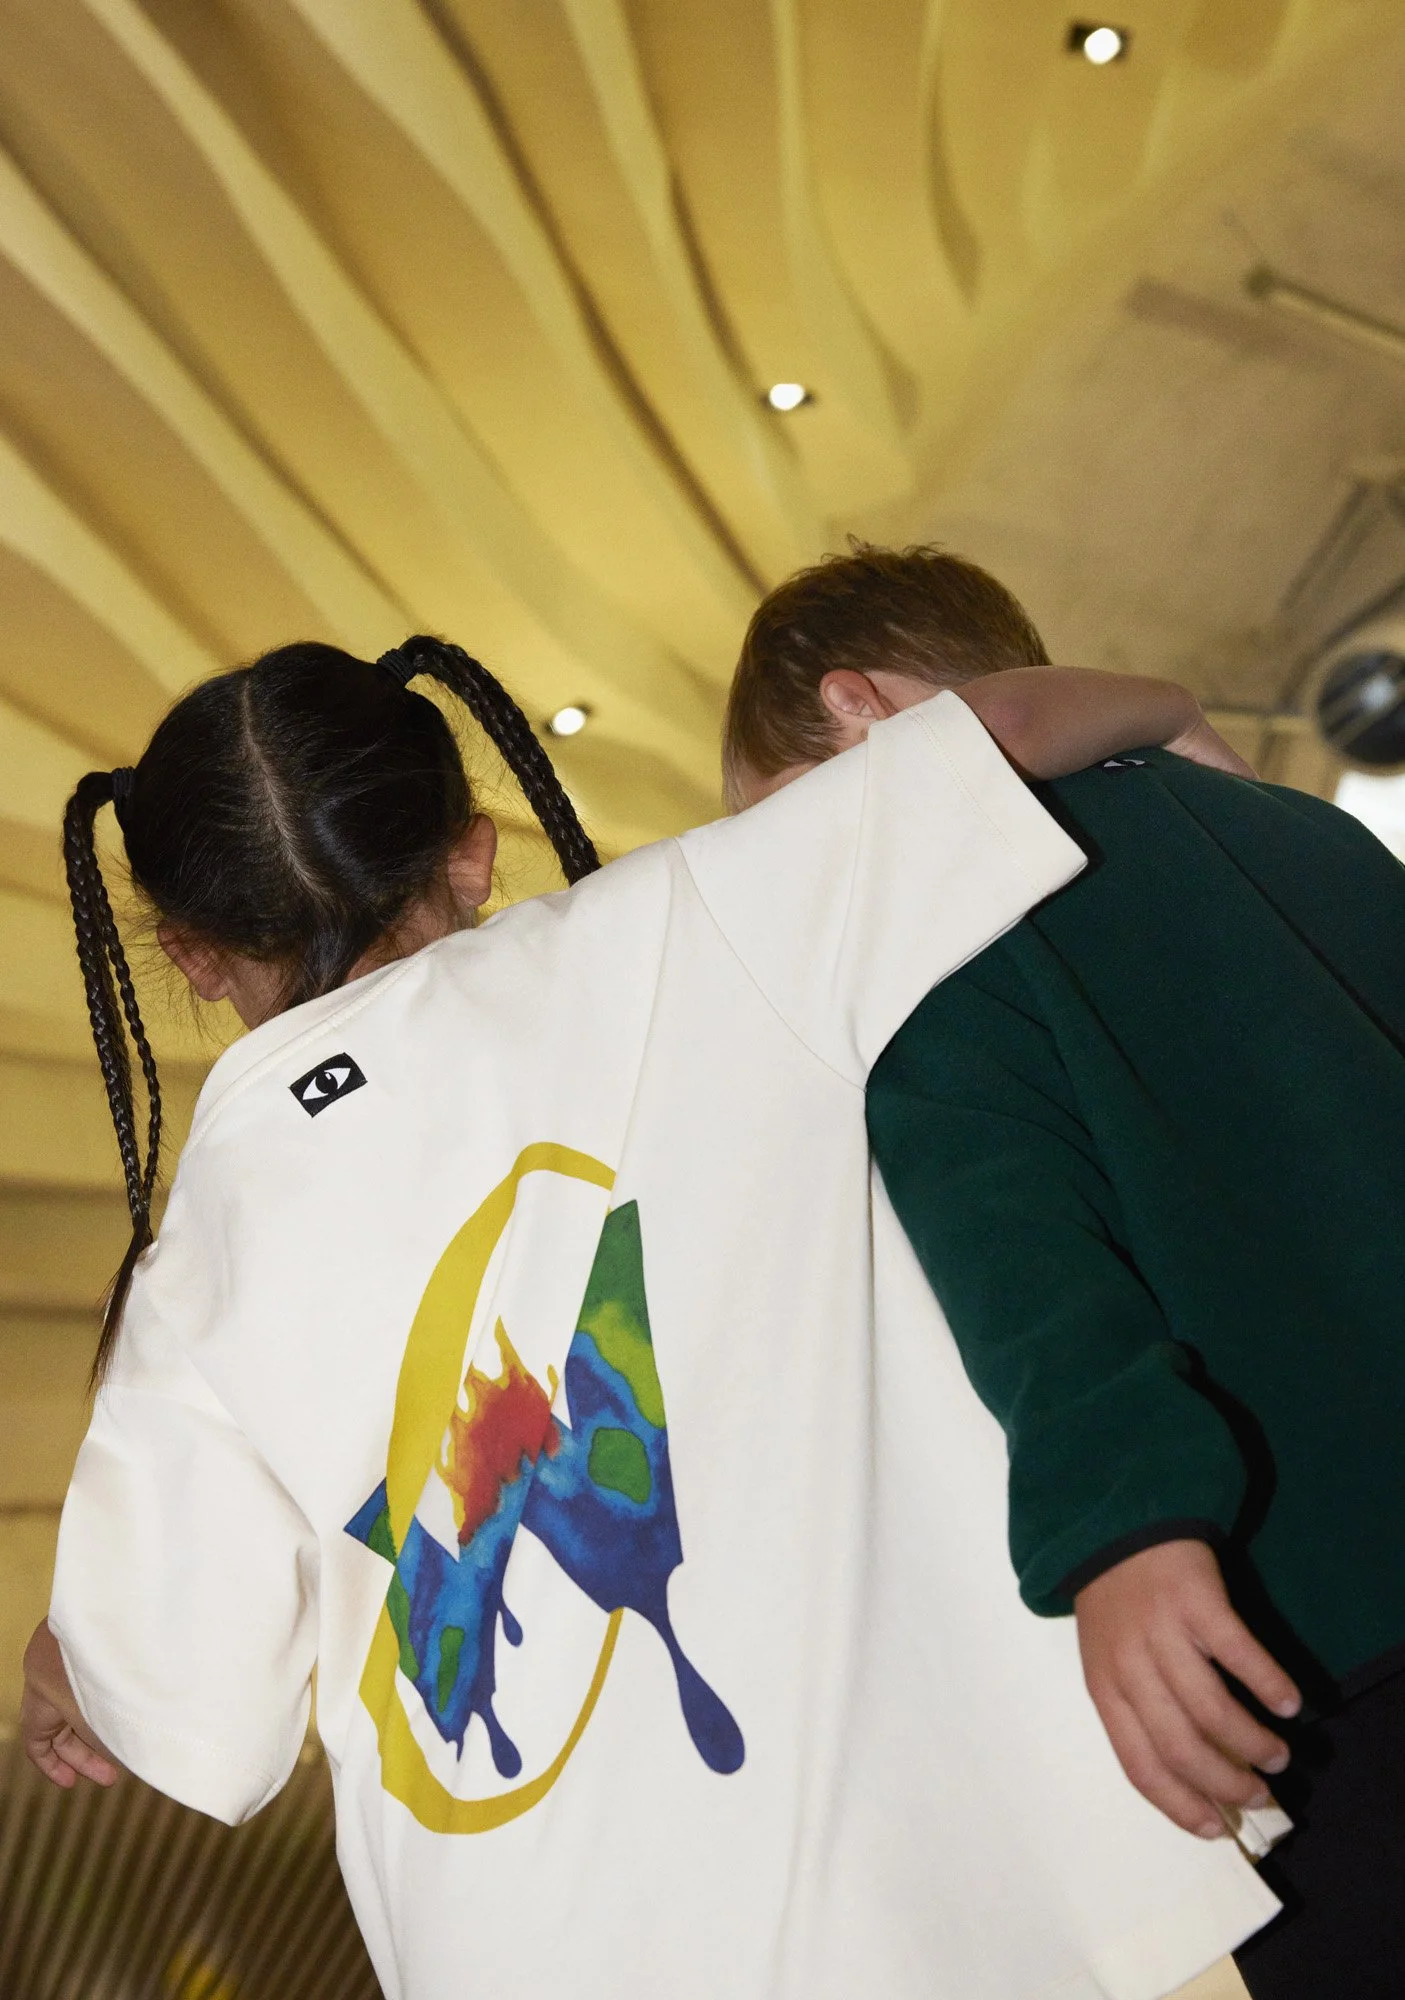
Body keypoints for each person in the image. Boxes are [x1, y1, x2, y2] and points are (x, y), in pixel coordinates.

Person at [24, 633, 1280, 2000]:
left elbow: (188, 1705)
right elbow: (1010, 726)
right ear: (472, 853)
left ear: (192, 954)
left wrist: (71, 1665)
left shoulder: (194, 1266)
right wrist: (1180, 714)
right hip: (892, 1891)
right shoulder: (700, 918)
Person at [725, 541, 1405, 2000]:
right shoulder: (1312, 836)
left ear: (858, 710)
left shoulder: (921, 931)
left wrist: (1121, 1528)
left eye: (771, 824)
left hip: (1312, 1621)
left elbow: (1025, 1256)